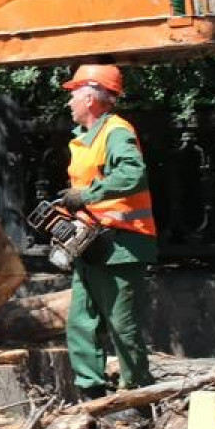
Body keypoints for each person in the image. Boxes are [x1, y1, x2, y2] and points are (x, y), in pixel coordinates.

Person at [58, 63, 157, 400]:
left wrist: (86, 196)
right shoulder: (85, 138)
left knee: (122, 326)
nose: (68, 102)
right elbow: (87, 192)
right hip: (92, 243)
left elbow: (133, 175)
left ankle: (137, 396)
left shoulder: (116, 131)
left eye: (73, 94)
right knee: (81, 323)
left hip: (122, 244)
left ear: (90, 97)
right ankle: (91, 394)